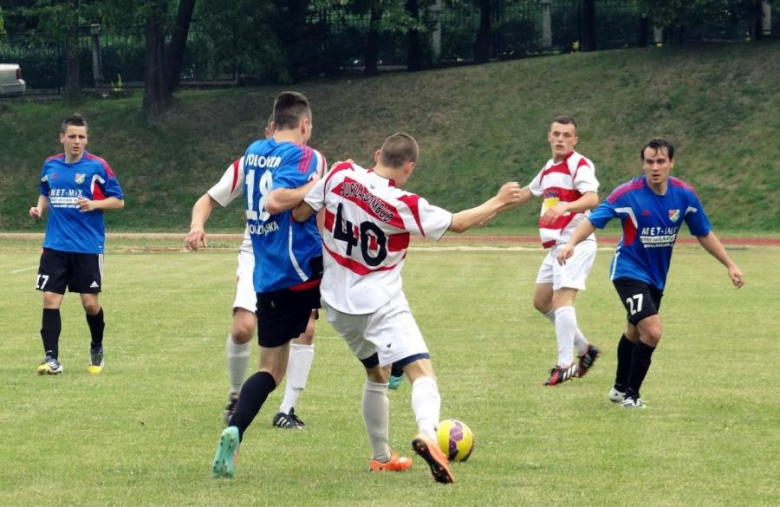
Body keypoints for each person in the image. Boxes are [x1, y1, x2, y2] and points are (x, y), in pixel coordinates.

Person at [294, 133, 524, 484]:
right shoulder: (402, 202)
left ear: (377, 154)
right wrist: (499, 200)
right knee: (422, 372)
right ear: (409, 167)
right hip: (379, 302)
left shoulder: (340, 173)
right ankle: (428, 435)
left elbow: (300, 212)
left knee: (377, 373)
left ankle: (382, 457)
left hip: (337, 304)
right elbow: (459, 223)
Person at [556, 138, 745, 408]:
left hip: (656, 277)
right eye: (649, 162)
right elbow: (593, 220)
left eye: (660, 161)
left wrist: (730, 264)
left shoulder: (684, 195)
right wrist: (571, 244)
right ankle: (632, 397)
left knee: (634, 333)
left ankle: (619, 389)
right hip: (627, 271)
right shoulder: (627, 194)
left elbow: (703, 232)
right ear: (643, 164)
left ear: (671, 163)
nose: (655, 167)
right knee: (653, 332)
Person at [211, 91, 325, 478]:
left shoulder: (253, 152)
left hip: (268, 276)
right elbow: (281, 202)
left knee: (269, 371)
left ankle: (235, 430)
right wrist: (317, 186)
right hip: (303, 270)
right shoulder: (308, 156)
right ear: (305, 124)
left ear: (273, 123)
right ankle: (397, 364)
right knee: (361, 304)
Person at [186, 116, 317, 429]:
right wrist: (196, 225)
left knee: (307, 330)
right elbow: (207, 199)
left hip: (290, 258)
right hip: (254, 255)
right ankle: (237, 395)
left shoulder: (305, 162)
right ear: (268, 132)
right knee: (243, 328)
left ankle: (287, 409)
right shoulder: (250, 161)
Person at [500, 116, 602, 385]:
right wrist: (493, 210)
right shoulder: (548, 168)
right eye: (556, 134)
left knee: (561, 300)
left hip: (576, 243)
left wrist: (566, 207)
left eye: (566, 135)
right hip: (557, 245)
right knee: (542, 301)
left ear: (575, 140)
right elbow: (526, 193)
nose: (560, 139)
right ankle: (585, 350)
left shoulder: (579, 164)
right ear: (549, 137)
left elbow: (592, 198)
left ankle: (564, 364)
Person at [29, 113, 125, 375]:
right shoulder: (50, 165)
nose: (77, 141)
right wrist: (39, 208)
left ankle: (97, 346)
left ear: (87, 139)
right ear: (62, 138)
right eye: (72, 136)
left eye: (81, 137)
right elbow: (45, 192)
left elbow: (118, 201)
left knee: (90, 304)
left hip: (87, 246)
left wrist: (94, 203)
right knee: (50, 298)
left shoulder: (97, 166)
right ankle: (52, 359)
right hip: (55, 245)